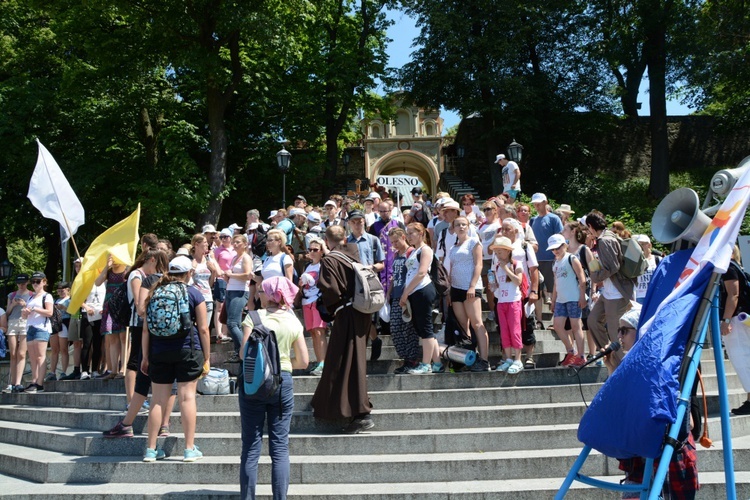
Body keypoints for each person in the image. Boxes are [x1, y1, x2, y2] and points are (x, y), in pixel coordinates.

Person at [603, 308, 699, 499]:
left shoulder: (665, 363)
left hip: (668, 452)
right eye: (618, 330)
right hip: (641, 454)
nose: (619, 336)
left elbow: (687, 421)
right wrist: (613, 368)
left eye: (625, 330)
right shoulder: (631, 365)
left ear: (640, 331)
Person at [238, 276, 309, 499]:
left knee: (250, 446)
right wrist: (284, 366)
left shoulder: (254, 317)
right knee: (279, 446)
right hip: (282, 383)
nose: (259, 293)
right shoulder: (293, 321)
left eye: (261, 290)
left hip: (254, 384)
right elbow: (305, 362)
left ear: (269, 295)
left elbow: (242, 354)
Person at [141, 255, 210, 462]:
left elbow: (146, 330)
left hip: (159, 351)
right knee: (187, 397)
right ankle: (189, 449)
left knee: (157, 400)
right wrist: (206, 357)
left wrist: (145, 356)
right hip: (188, 350)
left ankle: (151, 450)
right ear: (189, 273)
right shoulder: (194, 293)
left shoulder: (155, 293)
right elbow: (204, 329)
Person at [103, 249, 175, 438]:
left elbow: (141, 306)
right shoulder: (141, 276)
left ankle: (129, 421)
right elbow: (139, 304)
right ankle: (155, 418)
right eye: (160, 264)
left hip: (146, 328)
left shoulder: (147, 278)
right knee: (141, 366)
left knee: (141, 369)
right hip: (153, 329)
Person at [310, 225, 374, 433]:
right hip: (361, 311)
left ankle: (359, 412)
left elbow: (331, 290)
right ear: (344, 238)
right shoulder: (353, 256)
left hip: (346, 314)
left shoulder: (329, 260)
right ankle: (345, 407)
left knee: (342, 360)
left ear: (327, 241)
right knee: (351, 360)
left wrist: (327, 309)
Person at [586, 211, 635, 369]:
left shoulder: (605, 240)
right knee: (593, 320)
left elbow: (614, 266)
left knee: (616, 335)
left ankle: (622, 369)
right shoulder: (606, 238)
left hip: (617, 293)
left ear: (591, 226)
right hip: (608, 292)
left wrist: (597, 276)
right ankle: (609, 353)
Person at [448, 216, 490, 371]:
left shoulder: (474, 242)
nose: (460, 227)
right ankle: (470, 357)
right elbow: (451, 269)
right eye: (457, 224)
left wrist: (472, 286)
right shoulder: (453, 247)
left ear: (468, 226)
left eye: (463, 224)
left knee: (477, 323)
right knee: (463, 326)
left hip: (470, 287)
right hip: (456, 288)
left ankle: (485, 360)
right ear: (453, 228)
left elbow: (479, 264)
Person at [500, 218, 540, 369]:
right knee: (506, 325)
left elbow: (533, 269)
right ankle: (507, 357)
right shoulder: (500, 246)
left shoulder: (524, 246)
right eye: (502, 229)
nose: (504, 232)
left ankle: (529, 356)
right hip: (505, 292)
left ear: (516, 231)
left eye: (507, 229)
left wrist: (534, 291)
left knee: (527, 323)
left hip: (523, 290)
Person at [401, 223, 441, 374]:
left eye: (412, 233)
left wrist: (405, 293)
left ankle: (426, 364)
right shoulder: (414, 251)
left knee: (425, 329)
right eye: (408, 233)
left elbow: (421, 273)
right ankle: (437, 363)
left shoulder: (426, 249)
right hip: (414, 292)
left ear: (421, 234)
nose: (409, 236)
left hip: (423, 290)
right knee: (422, 329)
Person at [347, 209, 385, 360]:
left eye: (360, 221)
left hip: (368, 284)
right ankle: (363, 347)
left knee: (367, 316)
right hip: (351, 284)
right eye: (354, 222)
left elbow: (381, 264)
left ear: (364, 222)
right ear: (349, 224)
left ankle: (374, 340)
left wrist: (370, 268)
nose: (357, 225)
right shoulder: (346, 242)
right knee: (356, 318)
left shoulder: (373, 240)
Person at [547, 234, 588, 368]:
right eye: (553, 249)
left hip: (573, 297)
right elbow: (555, 283)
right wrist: (553, 300)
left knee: (576, 326)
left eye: (558, 247)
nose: (555, 251)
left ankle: (581, 356)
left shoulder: (572, 258)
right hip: (561, 299)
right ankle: (571, 351)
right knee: (558, 325)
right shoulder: (555, 262)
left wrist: (582, 296)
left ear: (564, 245)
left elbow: (582, 279)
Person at [720, 245, 750, 416]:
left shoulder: (729, 268)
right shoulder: (738, 267)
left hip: (736, 320)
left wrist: (726, 320)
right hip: (742, 319)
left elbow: (733, 294)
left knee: (742, 360)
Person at [488, 236, 524, 374]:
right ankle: (508, 358)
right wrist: (493, 286)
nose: (498, 255)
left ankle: (518, 359)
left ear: (508, 251)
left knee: (515, 330)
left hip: (514, 301)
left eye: (500, 252)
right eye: (496, 253)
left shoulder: (516, 263)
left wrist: (507, 269)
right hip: (501, 301)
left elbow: (518, 282)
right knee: (504, 331)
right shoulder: (496, 267)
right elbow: (497, 286)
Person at [387, 227, 421, 373]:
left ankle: (412, 359)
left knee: (408, 328)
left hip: (407, 295)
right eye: (392, 242)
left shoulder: (411, 253)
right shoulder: (396, 255)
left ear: (403, 237)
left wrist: (406, 293)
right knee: (395, 328)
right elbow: (395, 276)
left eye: (396, 241)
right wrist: (388, 293)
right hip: (396, 295)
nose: (394, 244)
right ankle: (405, 357)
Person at [95, 255, 130, 378]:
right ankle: (113, 370)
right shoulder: (109, 271)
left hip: (122, 306)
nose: (113, 260)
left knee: (124, 337)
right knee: (112, 337)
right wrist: (106, 267)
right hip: (109, 306)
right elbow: (97, 282)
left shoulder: (128, 269)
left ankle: (124, 369)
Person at [299, 237, 329, 376]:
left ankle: (324, 363)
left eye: (315, 250)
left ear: (321, 251)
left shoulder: (324, 264)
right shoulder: (307, 266)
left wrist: (323, 245)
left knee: (319, 331)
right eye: (310, 250)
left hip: (318, 301)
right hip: (307, 301)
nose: (312, 252)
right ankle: (319, 362)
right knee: (312, 332)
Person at [20, 271, 54, 392]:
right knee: (33, 357)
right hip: (30, 327)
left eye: (38, 281)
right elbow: (25, 317)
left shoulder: (47, 296)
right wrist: (25, 313)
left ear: (44, 282)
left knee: (40, 357)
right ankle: (34, 381)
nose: (35, 284)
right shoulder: (30, 297)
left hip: (41, 328)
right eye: (33, 281)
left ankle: (40, 383)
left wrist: (34, 308)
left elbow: (50, 312)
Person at [530, 193, 563, 306]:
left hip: (551, 259)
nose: (537, 206)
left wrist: (558, 256)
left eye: (539, 203)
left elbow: (560, 238)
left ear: (545, 202)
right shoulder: (533, 220)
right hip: (536, 260)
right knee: (538, 290)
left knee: (553, 289)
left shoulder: (554, 218)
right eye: (535, 204)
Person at [224, 235, 253, 358]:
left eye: (238, 242)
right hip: (230, 290)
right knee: (234, 323)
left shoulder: (246, 257)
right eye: (234, 242)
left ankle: (245, 350)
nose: (235, 244)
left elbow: (247, 275)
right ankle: (239, 351)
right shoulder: (235, 257)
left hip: (240, 291)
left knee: (232, 323)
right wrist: (227, 277)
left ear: (245, 244)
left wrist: (231, 275)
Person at [3, 274, 31, 392]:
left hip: (25, 322)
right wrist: (13, 304)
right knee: (13, 354)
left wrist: (25, 305)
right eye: (19, 283)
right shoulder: (12, 295)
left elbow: (33, 311)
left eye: (23, 283)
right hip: (13, 323)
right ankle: (12, 383)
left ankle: (18, 382)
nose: (21, 285)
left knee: (21, 353)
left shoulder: (31, 295)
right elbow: (7, 313)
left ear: (27, 282)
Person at [213, 228, 236, 343]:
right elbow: (214, 264)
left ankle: (225, 332)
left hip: (233, 279)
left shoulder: (235, 249)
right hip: (221, 279)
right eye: (221, 237)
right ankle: (219, 333)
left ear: (231, 237)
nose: (223, 239)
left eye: (226, 236)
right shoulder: (217, 250)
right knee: (219, 306)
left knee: (228, 306)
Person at [47, 282, 71, 381]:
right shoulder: (55, 300)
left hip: (65, 323)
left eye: (62, 290)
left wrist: (64, 308)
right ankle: (52, 372)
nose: (60, 292)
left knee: (64, 349)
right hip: (55, 325)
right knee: (54, 350)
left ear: (68, 290)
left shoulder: (70, 300)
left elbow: (74, 313)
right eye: (59, 290)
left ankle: (64, 372)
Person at [634, 234, 661, 305]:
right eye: (639, 244)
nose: (641, 246)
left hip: (654, 294)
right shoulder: (635, 260)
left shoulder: (657, 259)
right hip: (639, 295)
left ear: (649, 245)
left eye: (643, 244)